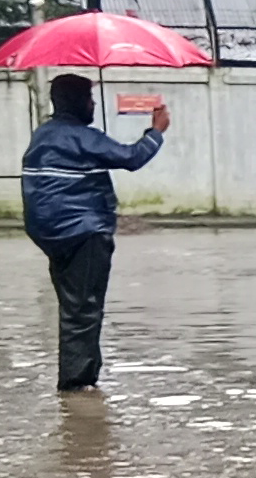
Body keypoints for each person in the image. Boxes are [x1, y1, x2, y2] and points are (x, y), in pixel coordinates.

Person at [20, 74, 168, 396]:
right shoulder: (82, 138)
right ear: (77, 102)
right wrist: (156, 131)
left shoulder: (42, 136)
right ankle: (78, 387)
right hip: (84, 233)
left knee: (73, 307)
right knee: (84, 309)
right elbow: (132, 158)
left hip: (52, 236)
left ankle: (83, 376)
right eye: (90, 98)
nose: (94, 104)